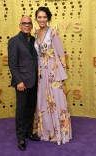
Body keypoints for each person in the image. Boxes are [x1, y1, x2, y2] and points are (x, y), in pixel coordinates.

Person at [33, 7, 72, 145]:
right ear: (36, 19)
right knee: (42, 100)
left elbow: (61, 54)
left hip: (52, 71)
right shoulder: (36, 32)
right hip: (40, 72)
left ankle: (59, 132)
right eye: (39, 17)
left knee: (56, 100)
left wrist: (59, 74)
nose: (42, 19)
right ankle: (45, 132)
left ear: (48, 18)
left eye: (44, 17)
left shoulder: (53, 32)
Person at [8, 15, 39, 151]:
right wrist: (19, 81)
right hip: (22, 82)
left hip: (34, 81)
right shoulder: (14, 41)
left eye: (29, 23)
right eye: (24, 23)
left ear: (32, 26)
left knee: (30, 109)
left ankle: (28, 132)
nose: (27, 25)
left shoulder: (33, 40)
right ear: (20, 25)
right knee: (21, 109)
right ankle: (20, 137)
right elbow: (12, 64)